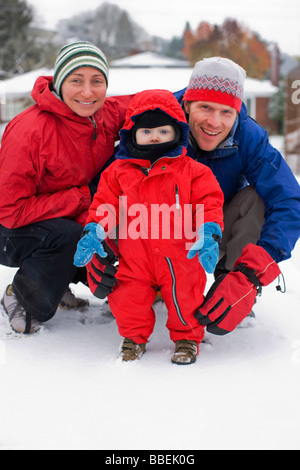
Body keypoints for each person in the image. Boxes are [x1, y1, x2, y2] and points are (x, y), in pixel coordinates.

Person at [90, 57, 300, 335]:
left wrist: (254, 273)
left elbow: (288, 200)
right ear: (186, 105)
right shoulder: (155, 124)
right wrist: (98, 242)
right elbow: (109, 187)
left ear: (237, 113)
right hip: (150, 231)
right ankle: (136, 282)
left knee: (257, 199)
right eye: (205, 107)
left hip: (209, 231)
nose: (214, 122)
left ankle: (231, 284)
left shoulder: (249, 136)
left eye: (226, 112)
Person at [74, 89, 224, 365]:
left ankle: (187, 338)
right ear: (131, 135)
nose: (155, 137)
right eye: (146, 131)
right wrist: (94, 230)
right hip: (134, 256)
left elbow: (210, 202)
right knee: (128, 299)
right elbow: (104, 206)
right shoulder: (117, 173)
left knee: (186, 298)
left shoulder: (194, 171)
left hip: (181, 256)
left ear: (177, 133)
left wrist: (208, 231)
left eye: (163, 131)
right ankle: (133, 338)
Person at [0, 41, 133, 335]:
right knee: (70, 234)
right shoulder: (30, 131)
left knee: (107, 226)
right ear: (60, 84)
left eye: (97, 81)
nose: (88, 92)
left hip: (61, 213)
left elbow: (153, 103)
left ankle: (57, 283)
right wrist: (81, 198)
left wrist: (209, 103)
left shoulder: (104, 114)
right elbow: (10, 211)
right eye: (76, 81)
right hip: (10, 228)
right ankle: (20, 296)